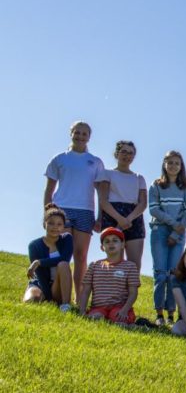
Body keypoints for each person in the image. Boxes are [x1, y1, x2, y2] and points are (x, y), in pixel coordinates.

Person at [44, 121, 105, 293]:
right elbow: (49, 188)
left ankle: (79, 299)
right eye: (77, 132)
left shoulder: (95, 162)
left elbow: (101, 193)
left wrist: (100, 217)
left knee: (80, 255)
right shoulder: (60, 159)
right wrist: (48, 212)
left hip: (85, 211)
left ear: (89, 137)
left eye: (84, 134)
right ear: (71, 133)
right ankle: (57, 294)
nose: (80, 136)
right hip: (62, 209)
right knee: (62, 255)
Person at [148, 150, 186, 326]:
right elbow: (153, 209)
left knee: (174, 273)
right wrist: (173, 224)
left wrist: (176, 232)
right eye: (170, 163)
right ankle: (159, 313)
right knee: (160, 273)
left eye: (177, 163)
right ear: (164, 165)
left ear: (181, 167)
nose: (173, 166)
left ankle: (171, 314)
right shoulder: (157, 185)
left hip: (178, 235)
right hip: (159, 231)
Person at [98, 140, 147, 271]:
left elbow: (142, 203)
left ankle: (132, 291)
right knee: (114, 262)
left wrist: (128, 219)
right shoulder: (107, 174)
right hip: (112, 215)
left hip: (134, 217)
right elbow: (103, 200)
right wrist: (119, 219)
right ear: (117, 154)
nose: (127, 156)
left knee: (134, 265)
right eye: (124, 152)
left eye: (131, 153)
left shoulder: (139, 178)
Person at [77, 227, 140, 325]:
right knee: (94, 319)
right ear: (102, 247)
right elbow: (85, 291)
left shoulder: (130, 266)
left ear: (122, 245)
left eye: (115, 240)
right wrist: (82, 311)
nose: (111, 243)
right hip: (98, 308)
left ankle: (133, 325)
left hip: (120, 307)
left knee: (118, 321)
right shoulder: (94, 265)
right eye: (107, 241)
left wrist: (124, 310)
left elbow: (133, 293)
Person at [24, 203, 73, 311]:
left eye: (59, 224)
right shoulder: (34, 245)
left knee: (63, 264)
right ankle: (42, 296)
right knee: (32, 301)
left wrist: (39, 262)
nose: (55, 227)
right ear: (44, 224)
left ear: (63, 226)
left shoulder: (67, 239)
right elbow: (40, 275)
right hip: (40, 284)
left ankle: (65, 305)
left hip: (57, 285)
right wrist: (49, 299)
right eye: (51, 223)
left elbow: (64, 258)